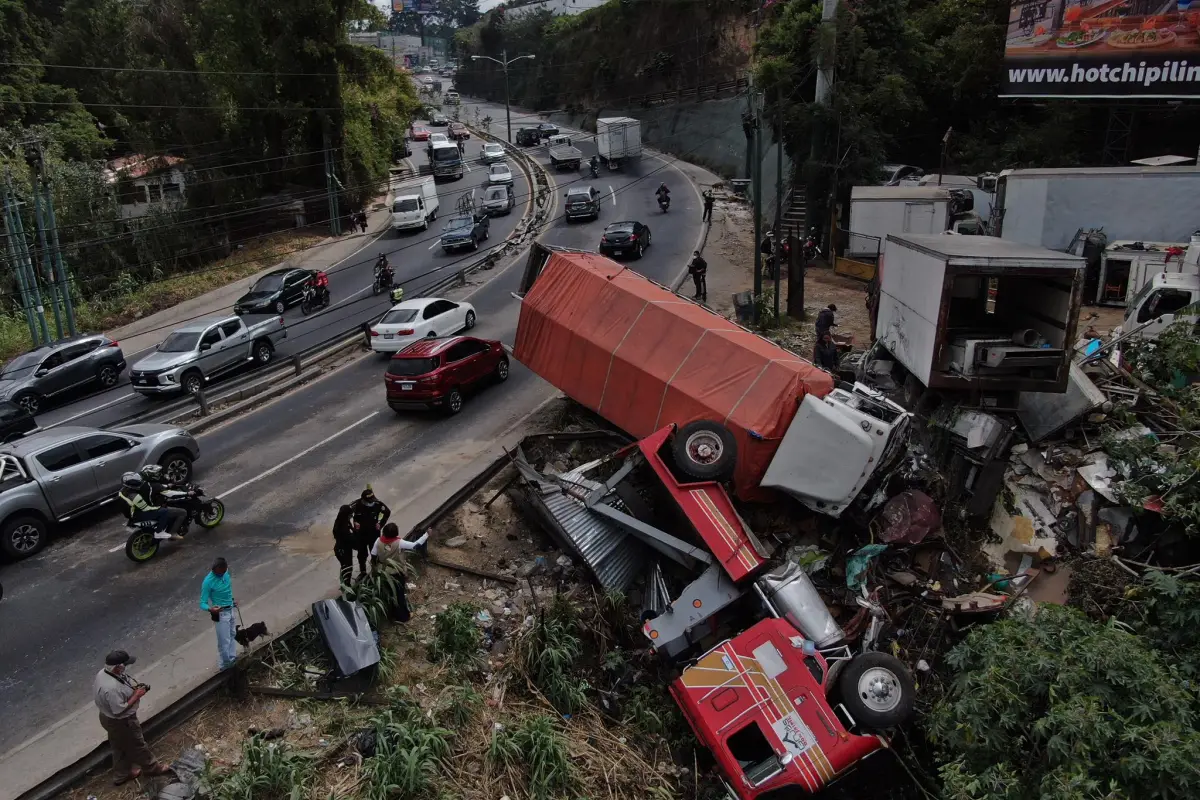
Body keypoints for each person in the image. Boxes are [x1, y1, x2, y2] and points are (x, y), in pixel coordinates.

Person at [95, 650, 170, 785]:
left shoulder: (103, 674)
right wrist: (137, 695)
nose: (126, 667)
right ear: (118, 667)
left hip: (107, 717)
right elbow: (119, 710)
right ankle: (152, 768)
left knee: (119, 746)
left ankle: (121, 775)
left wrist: (133, 688)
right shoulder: (111, 688)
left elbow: (121, 685)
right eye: (124, 665)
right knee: (137, 745)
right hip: (121, 721)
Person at [370, 522, 429, 622]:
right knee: (399, 595)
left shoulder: (378, 541)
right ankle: (403, 617)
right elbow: (415, 545)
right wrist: (426, 534)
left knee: (389, 593)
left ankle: (390, 614)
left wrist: (376, 568)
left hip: (383, 573)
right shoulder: (399, 542)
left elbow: (373, 555)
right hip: (396, 572)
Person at [118, 472, 186, 540]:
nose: (140, 483)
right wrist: (159, 507)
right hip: (138, 514)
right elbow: (147, 508)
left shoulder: (122, 491)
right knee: (164, 511)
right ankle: (159, 532)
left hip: (130, 513)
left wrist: (167, 486)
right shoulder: (136, 497)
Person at [199, 558, 237, 670]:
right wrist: (211, 609)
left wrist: (231, 601)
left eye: (224, 571)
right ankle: (225, 664)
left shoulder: (226, 574)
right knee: (224, 641)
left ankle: (232, 657)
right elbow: (202, 603)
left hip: (230, 609)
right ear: (215, 570)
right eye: (220, 572)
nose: (222, 574)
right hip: (221, 614)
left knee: (232, 634)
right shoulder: (208, 582)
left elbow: (228, 590)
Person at [350, 487, 391, 579]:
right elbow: (353, 516)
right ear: (364, 500)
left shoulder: (377, 504)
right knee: (361, 555)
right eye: (369, 500)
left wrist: (380, 524)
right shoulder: (358, 505)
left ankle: (376, 571)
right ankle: (363, 572)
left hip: (374, 534)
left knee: (375, 553)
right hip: (361, 535)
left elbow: (387, 512)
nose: (371, 502)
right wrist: (355, 523)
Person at [332, 505, 355, 587]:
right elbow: (349, 539)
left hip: (341, 548)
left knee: (345, 567)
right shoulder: (342, 528)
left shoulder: (341, 521)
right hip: (343, 550)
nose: (351, 517)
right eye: (350, 515)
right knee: (347, 568)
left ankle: (345, 583)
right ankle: (346, 585)